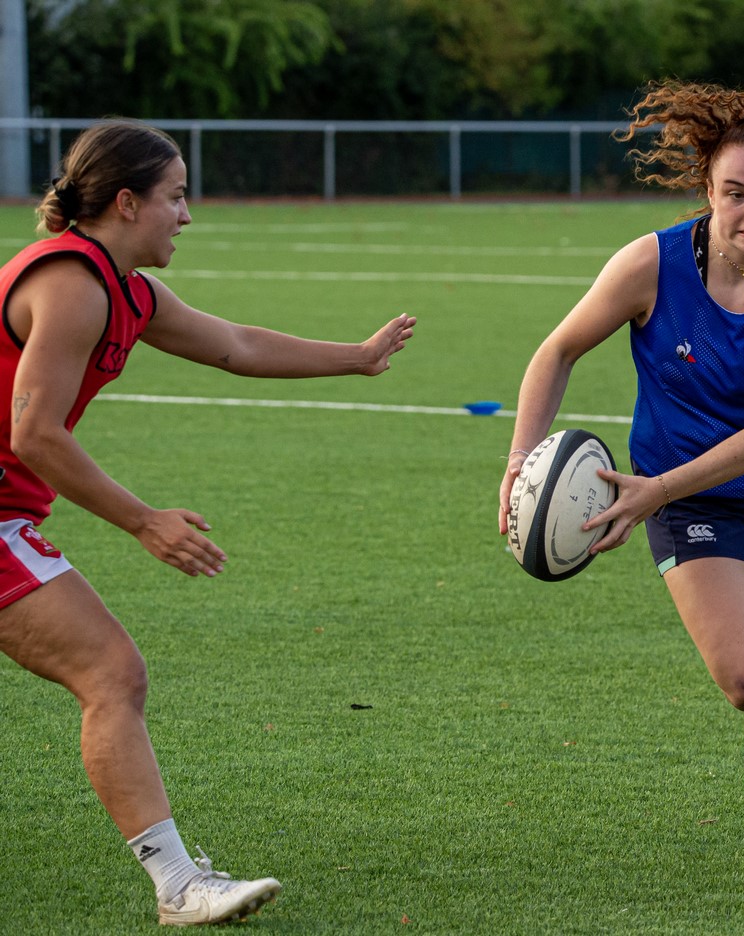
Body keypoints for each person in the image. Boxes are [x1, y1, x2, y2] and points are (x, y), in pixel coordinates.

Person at [0, 119, 415, 926]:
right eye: (176, 197)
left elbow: (236, 345)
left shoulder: (127, 290)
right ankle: (179, 885)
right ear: (128, 203)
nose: (187, 215)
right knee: (111, 673)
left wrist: (357, 357)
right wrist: (143, 522)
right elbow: (34, 435)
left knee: (111, 675)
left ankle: (179, 882)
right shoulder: (72, 284)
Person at [497, 82, 744, 879]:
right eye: (736, 192)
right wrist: (519, 463)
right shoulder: (649, 265)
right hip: (687, 500)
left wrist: (653, 489)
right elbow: (557, 352)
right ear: (707, 190)